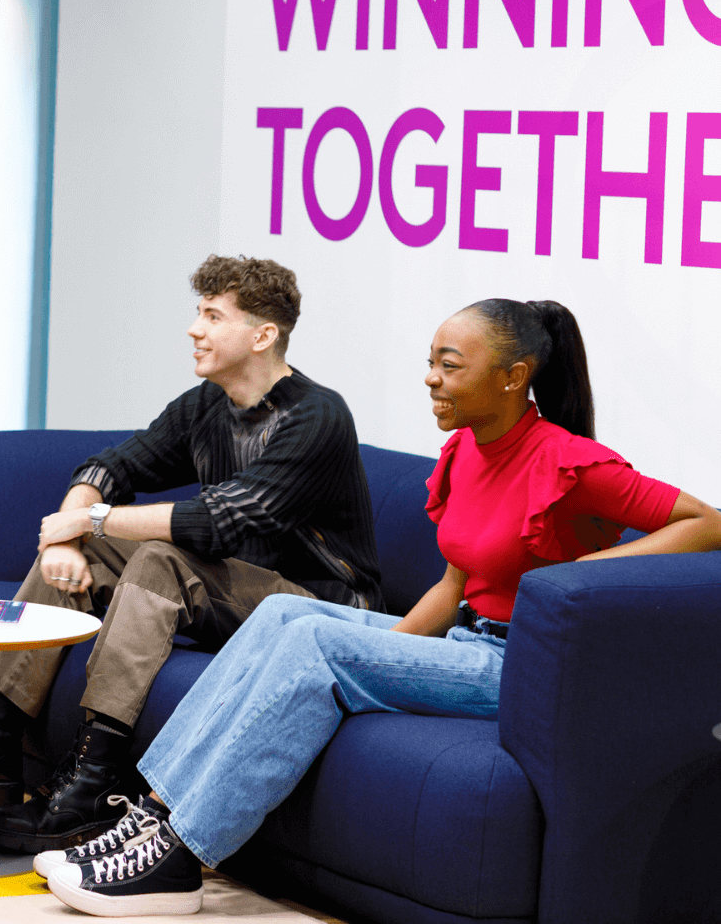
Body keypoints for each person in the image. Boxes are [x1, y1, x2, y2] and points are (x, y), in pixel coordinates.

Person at [39, 298, 721, 918]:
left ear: (513, 377)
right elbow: (453, 587)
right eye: (431, 362)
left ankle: (179, 857)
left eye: (449, 366)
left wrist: (578, 578)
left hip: (521, 667)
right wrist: (388, 649)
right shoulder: (467, 451)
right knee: (285, 619)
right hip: (466, 642)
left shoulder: (571, 463)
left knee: (315, 644)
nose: (430, 378)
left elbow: (705, 523)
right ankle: (154, 817)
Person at [0, 255, 383, 855]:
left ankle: (93, 783)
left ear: (262, 335)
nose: (194, 329)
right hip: (235, 595)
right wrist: (66, 536)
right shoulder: (207, 404)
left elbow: (222, 522)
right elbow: (112, 466)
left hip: (318, 607)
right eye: (198, 313)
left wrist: (88, 520)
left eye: (213, 316)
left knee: (159, 559)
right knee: (97, 548)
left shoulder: (317, 416)